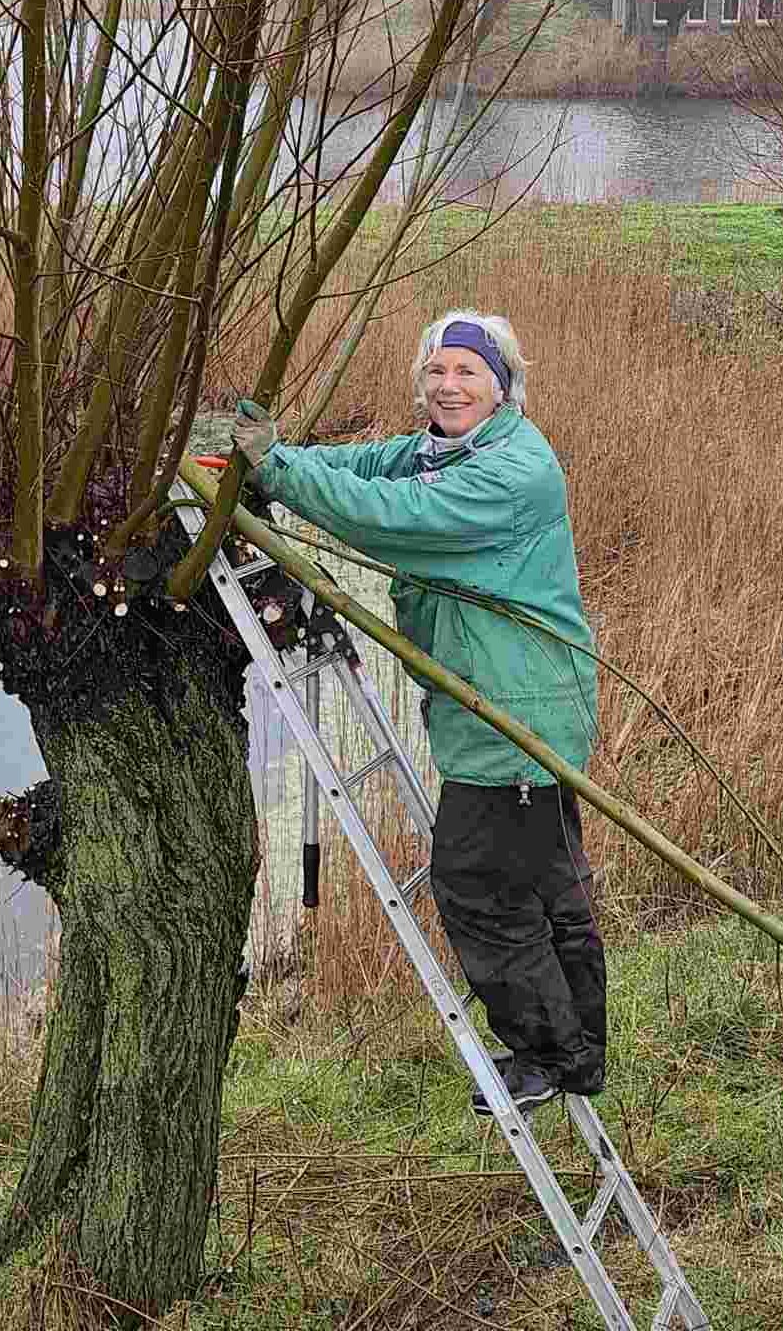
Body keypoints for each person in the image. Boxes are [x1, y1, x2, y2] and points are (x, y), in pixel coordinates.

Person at [230, 309, 605, 1111]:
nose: (448, 385)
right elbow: (371, 467)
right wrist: (281, 460)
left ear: (503, 387)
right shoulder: (443, 448)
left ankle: (548, 1051)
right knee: (547, 884)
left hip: (517, 714)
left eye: (468, 372)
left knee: (473, 882)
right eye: (436, 371)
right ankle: (578, 1050)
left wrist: (280, 474)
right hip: (509, 705)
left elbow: (395, 517)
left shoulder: (510, 472)